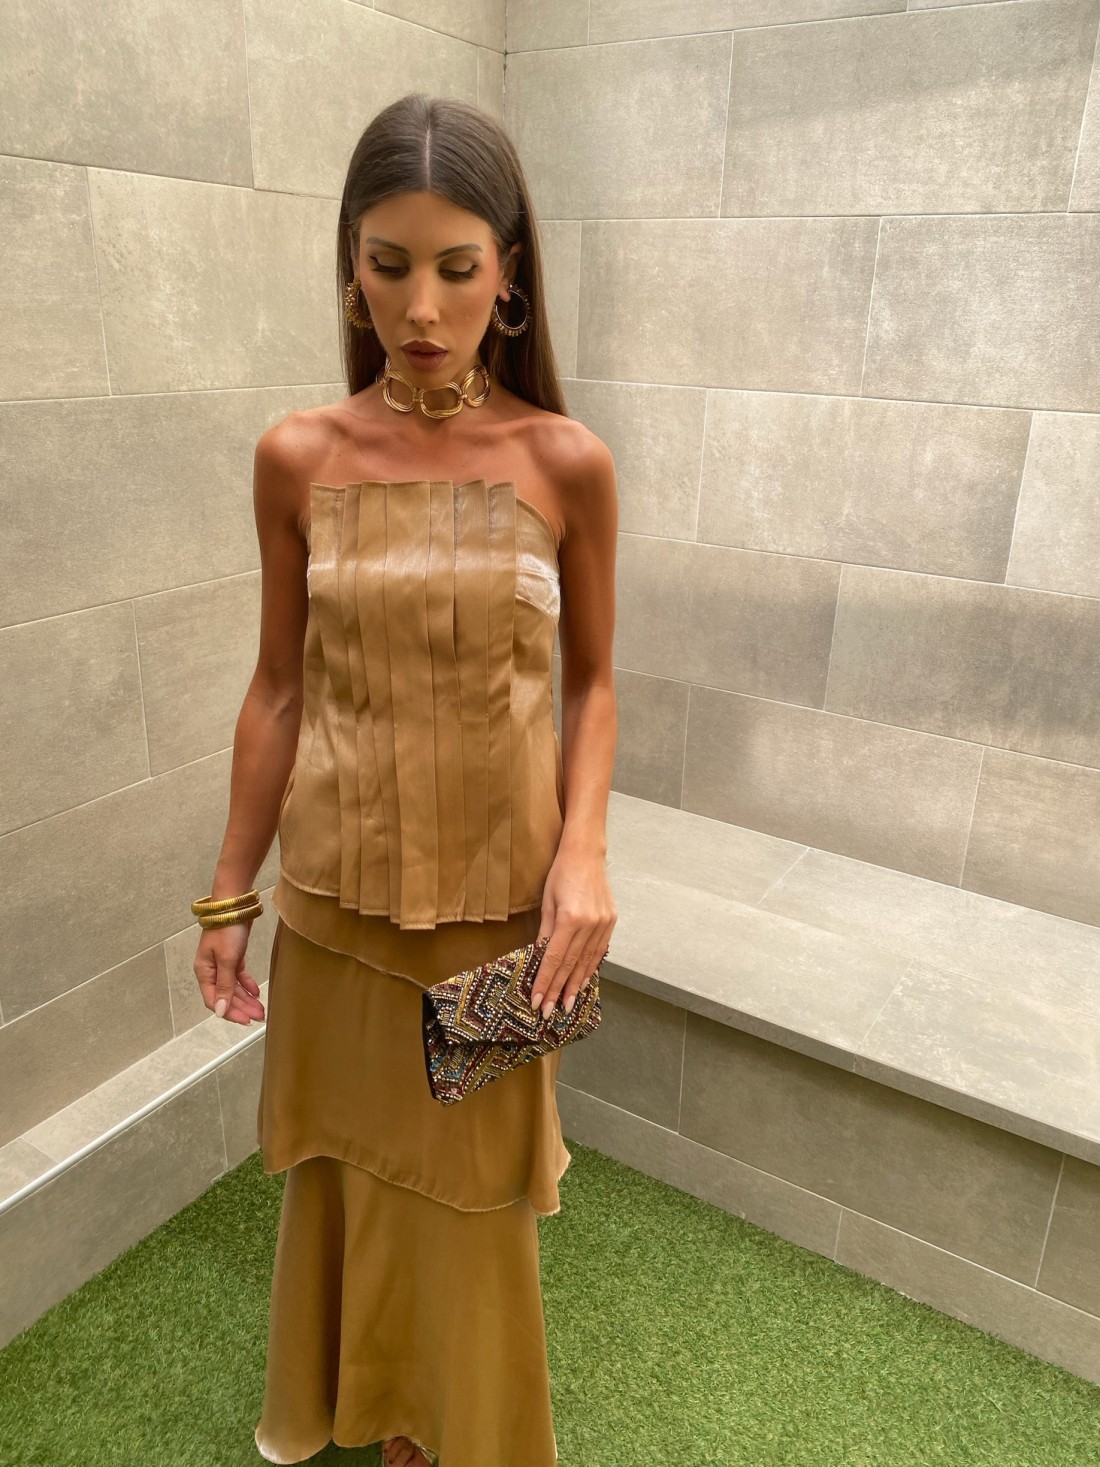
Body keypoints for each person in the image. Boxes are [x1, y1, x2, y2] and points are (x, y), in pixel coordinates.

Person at [190, 93, 618, 1466]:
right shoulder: (296, 458)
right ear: (351, 266)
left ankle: (455, 1428)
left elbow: (593, 683)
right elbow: (278, 687)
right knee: (345, 1170)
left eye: (454, 266)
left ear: (509, 274)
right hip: (331, 912)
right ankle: (367, 1410)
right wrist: (226, 896)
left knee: (475, 1197)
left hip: (497, 919)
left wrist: (585, 855)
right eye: (387, 265)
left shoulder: (566, 464)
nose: (420, 308)